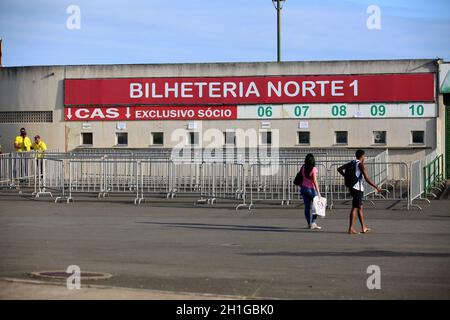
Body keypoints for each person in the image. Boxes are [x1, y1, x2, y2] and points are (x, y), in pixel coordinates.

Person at [337, 149, 382, 235]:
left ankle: (363, 227)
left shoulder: (351, 163)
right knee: (355, 207)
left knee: (359, 207)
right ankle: (351, 229)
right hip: (358, 189)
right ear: (362, 156)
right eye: (364, 156)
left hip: (352, 187)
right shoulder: (360, 164)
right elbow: (367, 178)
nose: (364, 158)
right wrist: (376, 187)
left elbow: (339, 169)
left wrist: (346, 177)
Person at [299, 153, 322, 230]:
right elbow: (315, 181)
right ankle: (313, 223)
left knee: (307, 207)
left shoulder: (303, 167)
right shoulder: (313, 169)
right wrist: (318, 192)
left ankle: (309, 224)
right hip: (311, 189)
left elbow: (300, 177)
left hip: (303, 188)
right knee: (316, 207)